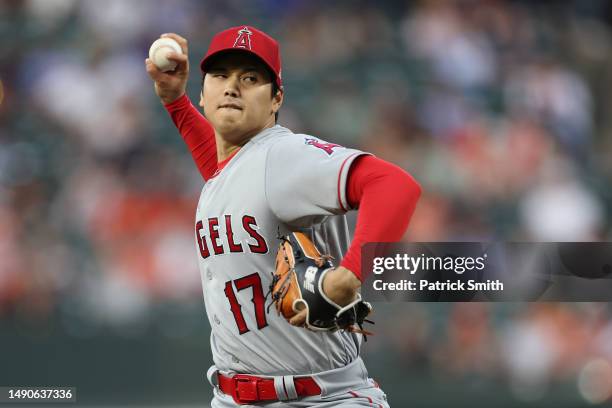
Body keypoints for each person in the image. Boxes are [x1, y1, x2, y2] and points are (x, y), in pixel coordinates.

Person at [145, 25, 421, 407]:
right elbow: (229, 171)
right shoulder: (241, 167)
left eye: (250, 78)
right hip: (235, 398)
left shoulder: (284, 155)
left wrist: (350, 275)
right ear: (204, 93)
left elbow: (395, 185)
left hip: (322, 399)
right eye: (221, 75)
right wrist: (176, 103)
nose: (231, 87)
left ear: (276, 99)